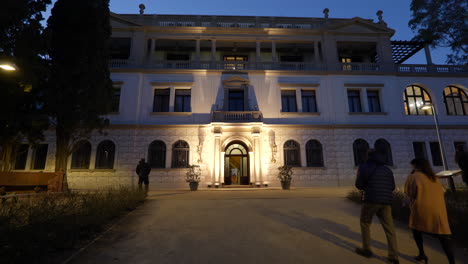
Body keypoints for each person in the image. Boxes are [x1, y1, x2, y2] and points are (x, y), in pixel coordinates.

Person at [404, 158, 455, 264]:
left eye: (412, 166)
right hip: (438, 211)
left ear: (416, 166)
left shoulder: (414, 176)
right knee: (443, 238)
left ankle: (422, 253)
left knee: (416, 230)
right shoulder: (434, 177)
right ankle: (452, 261)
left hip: (421, 210)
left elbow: (409, 193)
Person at [355, 149, 399, 264]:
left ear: (368, 156)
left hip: (371, 200)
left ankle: (367, 249)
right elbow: (393, 187)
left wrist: (366, 187)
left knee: (365, 223)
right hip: (386, 201)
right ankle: (393, 256)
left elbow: (358, 184)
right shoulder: (387, 169)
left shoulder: (364, 166)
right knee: (389, 228)